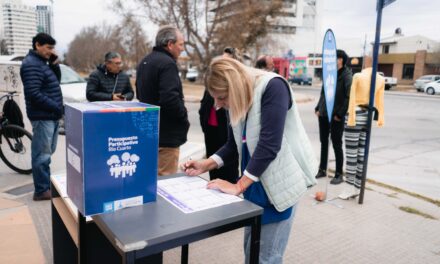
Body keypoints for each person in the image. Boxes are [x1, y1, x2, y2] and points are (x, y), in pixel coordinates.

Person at [182, 58, 317, 263]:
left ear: (234, 87)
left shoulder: (274, 87)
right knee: (252, 253)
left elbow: (269, 145)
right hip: (254, 187)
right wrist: (206, 164)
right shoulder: (241, 98)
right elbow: (233, 145)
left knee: (266, 258)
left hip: (278, 191)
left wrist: (238, 186)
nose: (218, 105)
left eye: (222, 98)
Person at [136, 25, 189, 176]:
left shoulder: (145, 61)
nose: (182, 48)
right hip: (166, 137)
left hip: (148, 131)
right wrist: (183, 116)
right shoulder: (167, 64)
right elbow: (170, 98)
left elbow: (139, 94)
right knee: (165, 182)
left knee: (148, 178)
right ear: (170, 44)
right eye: (181, 44)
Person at [20, 33, 63, 201]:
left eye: (52, 48)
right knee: (42, 155)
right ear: (37, 45)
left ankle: (44, 185)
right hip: (42, 116)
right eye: (49, 48)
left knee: (47, 152)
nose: (51, 51)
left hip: (49, 115)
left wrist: (54, 65)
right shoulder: (31, 64)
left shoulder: (42, 63)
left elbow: (54, 83)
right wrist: (56, 107)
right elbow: (33, 94)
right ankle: (41, 190)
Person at [340, 66, 385, 198]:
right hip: (368, 116)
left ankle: (349, 189)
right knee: (361, 154)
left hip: (355, 113)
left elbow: (352, 98)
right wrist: (380, 118)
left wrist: (351, 117)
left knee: (351, 155)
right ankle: (356, 187)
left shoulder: (358, 76)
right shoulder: (381, 79)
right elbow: (379, 101)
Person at [198, 47, 241, 183]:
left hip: (225, 131)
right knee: (214, 165)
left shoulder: (234, 89)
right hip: (211, 131)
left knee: (228, 167)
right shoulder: (213, 82)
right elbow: (205, 105)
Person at [314, 49, 352, 184]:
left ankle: (338, 174)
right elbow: (323, 93)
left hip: (336, 116)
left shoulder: (347, 75)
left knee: (337, 144)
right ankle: (322, 169)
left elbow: (349, 97)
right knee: (324, 143)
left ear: (340, 59)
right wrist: (318, 107)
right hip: (324, 114)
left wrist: (340, 114)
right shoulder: (329, 73)